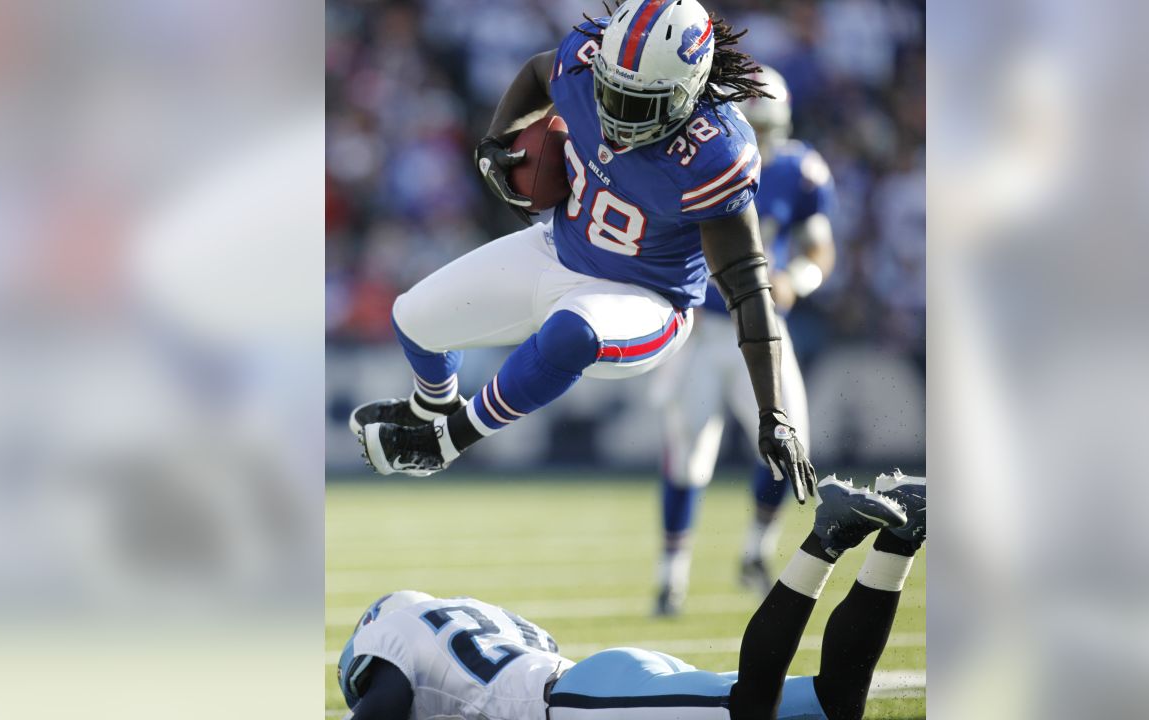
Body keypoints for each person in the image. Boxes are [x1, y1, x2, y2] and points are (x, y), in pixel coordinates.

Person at [349, 0, 814, 501]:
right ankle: (431, 408)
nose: (614, 110)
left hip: (647, 300)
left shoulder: (715, 153)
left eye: (637, 102)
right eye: (609, 90)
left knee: (570, 332)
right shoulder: (584, 58)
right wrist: (493, 142)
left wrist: (774, 414)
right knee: (413, 318)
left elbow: (748, 288)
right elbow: (535, 73)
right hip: (559, 249)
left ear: (686, 93)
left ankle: (445, 443)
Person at [336, 472, 926, 720]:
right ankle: (901, 537)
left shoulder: (388, 639)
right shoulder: (465, 618)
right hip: (598, 682)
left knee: (752, 710)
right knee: (835, 704)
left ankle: (826, 539)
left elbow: (382, 704)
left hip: (577, 704)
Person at [650, 66, 840, 614]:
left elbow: (819, 248)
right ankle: (671, 578)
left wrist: (798, 278)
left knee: (791, 442)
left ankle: (756, 551)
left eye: (768, 129)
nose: (760, 142)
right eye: (751, 127)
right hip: (700, 330)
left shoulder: (799, 170)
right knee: (687, 456)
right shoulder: (686, 160)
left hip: (761, 326)